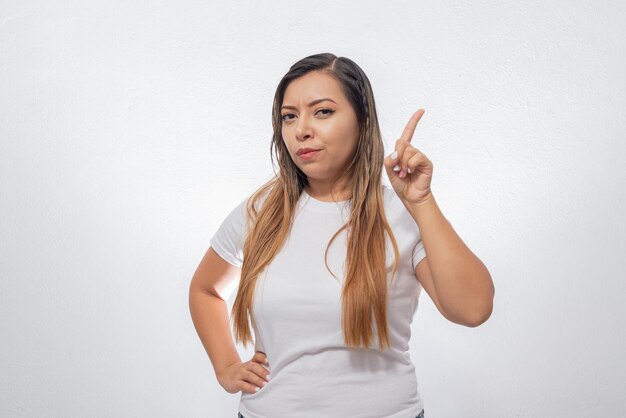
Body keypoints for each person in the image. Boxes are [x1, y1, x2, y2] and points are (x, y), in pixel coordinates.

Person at [189, 52, 495, 418]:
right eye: (289, 116)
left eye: (323, 112)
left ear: (362, 121)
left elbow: (472, 309)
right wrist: (226, 367)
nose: (301, 129)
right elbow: (205, 290)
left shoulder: (400, 214)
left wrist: (422, 202)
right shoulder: (260, 211)